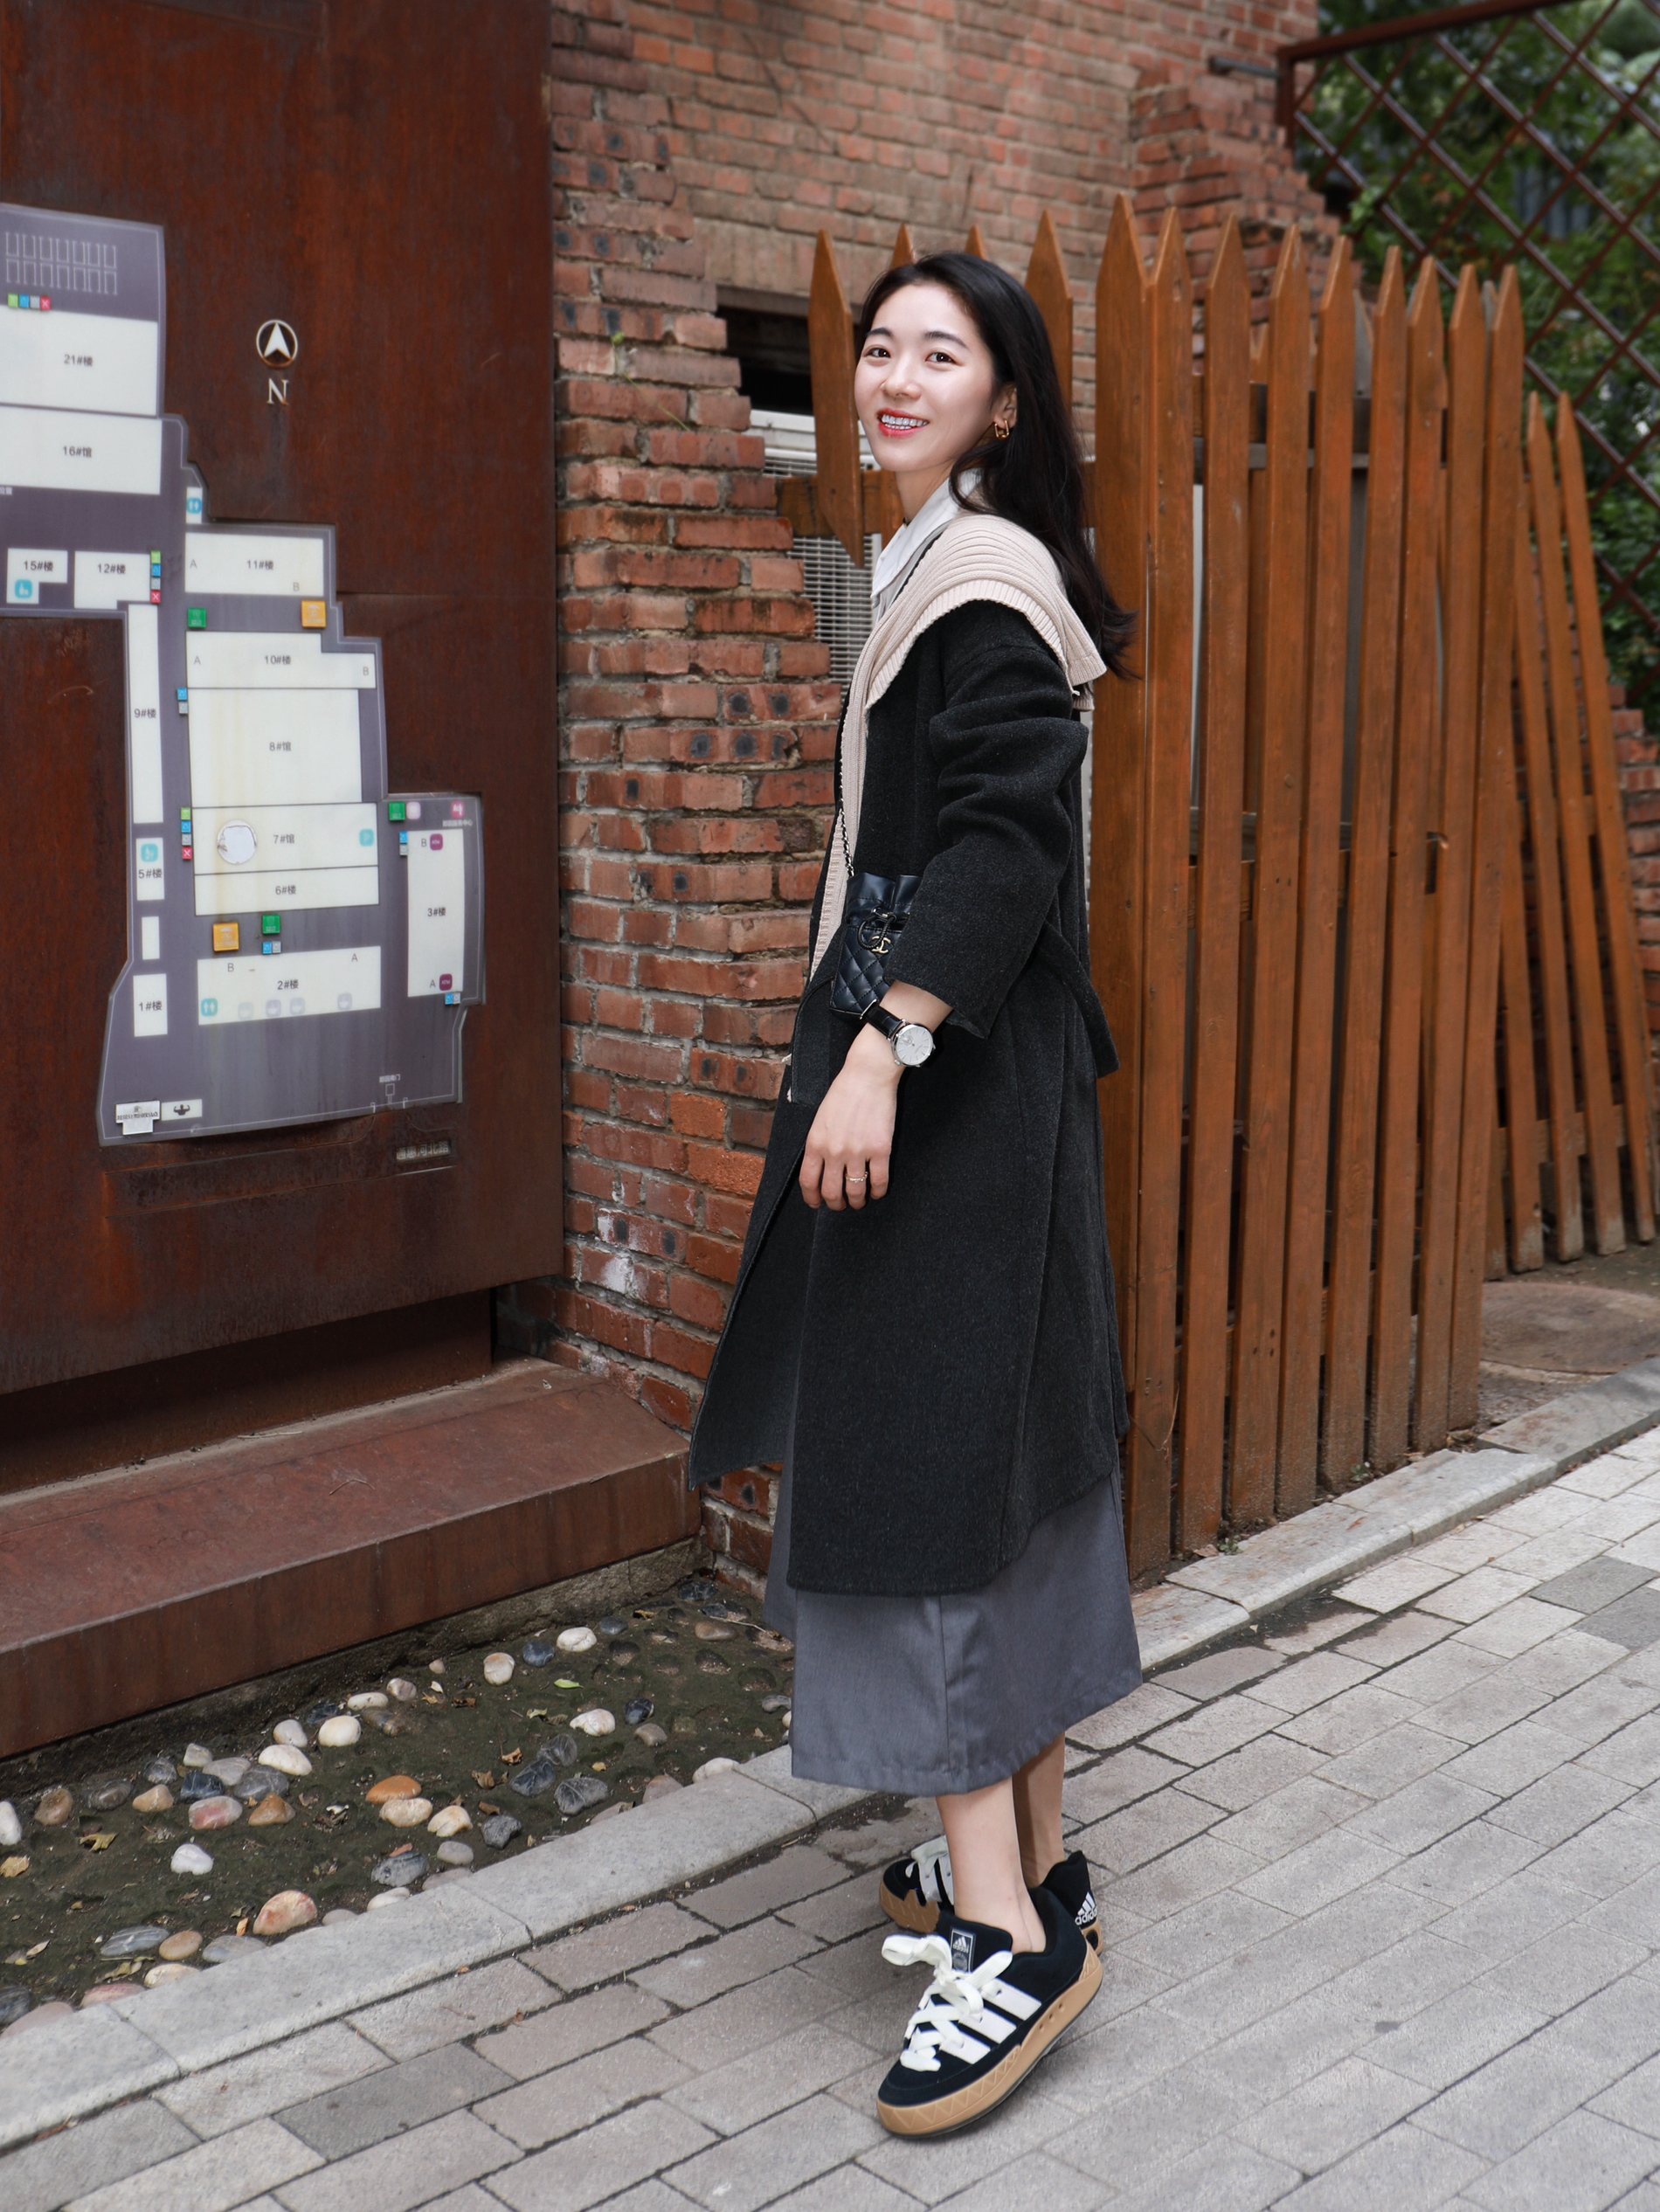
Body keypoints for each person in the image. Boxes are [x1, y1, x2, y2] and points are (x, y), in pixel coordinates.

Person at [688, 249, 1141, 2137]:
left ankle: (1003, 1940)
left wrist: (885, 1041)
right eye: (875, 349)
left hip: (946, 1091)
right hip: (981, 1085)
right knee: (1002, 1455)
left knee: (919, 1473)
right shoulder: (942, 563)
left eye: (935, 356)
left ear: (1003, 402)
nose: (889, 378)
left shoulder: (976, 581)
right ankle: (1026, 1857)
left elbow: (1005, 835)